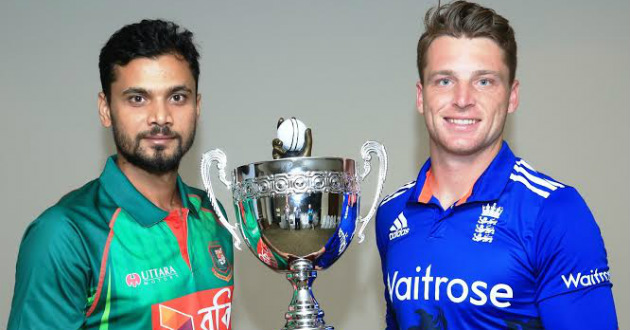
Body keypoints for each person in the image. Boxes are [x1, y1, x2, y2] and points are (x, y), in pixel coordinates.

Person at [375, 1, 618, 329]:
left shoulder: (555, 211)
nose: (463, 99)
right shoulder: (392, 213)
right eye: (444, 81)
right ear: (421, 97)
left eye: (484, 81)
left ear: (512, 96)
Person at [8, 19, 234, 330]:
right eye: (138, 99)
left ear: (197, 105)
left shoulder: (214, 215)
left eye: (177, 97)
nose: (161, 117)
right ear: (105, 108)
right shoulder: (64, 235)